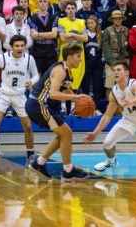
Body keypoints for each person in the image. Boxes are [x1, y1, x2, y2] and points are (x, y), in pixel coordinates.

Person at [25, 42, 91, 181]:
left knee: (63, 135)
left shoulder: (68, 72)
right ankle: (68, 170)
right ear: (70, 57)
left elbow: (66, 89)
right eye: (78, 56)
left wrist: (79, 100)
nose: (80, 59)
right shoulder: (60, 70)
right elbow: (53, 94)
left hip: (47, 106)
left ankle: (39, 163)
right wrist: (73, 97)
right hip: (39, 104)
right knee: (66, 133)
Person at [0, 35, 39, 169]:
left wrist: (32, 81)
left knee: (28, 127)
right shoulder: (3, 58)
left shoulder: (30, 59)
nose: (20, 48)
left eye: (22, 46)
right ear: (12, 47)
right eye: (17, 46)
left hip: (20, 95)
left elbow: (36, 75)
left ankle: (30, 156)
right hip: (4, 95)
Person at [57, 1, 88, 92]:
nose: (70, 10)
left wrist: (71, 34)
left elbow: (85, 38)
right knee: (64, 82)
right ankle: (63, 105)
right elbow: (62, 38)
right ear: (65, 10)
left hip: (78, 55)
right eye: (68, 8)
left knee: (75, 83)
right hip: (65, 55)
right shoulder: (61, 21)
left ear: (76, 9)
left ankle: (73, 105)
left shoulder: (81, 22)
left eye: (72, 8)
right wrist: (78, 36)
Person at [28, 0, 59, 76]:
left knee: (51, 76)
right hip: (37, 50)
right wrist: (49, 34)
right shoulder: (32, 18)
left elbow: (54, 34)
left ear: (48, 3)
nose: (42, 3)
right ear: (37, 3)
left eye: (45, 1)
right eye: (40, 1)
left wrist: (38, 34)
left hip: (51, 50)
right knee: (37, 76)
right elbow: (33, 36)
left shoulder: (54, 17)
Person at [102, 9, 130, 99]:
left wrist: (128, 59)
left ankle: (123, 107)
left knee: (124, 85)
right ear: (112, 20)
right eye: (115, 18)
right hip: (111, 60)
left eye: (119, 18)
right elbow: (106, 47)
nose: (118, 20)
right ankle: (110, 106)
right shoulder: (107, 31)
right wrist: (110, 62)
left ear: (122, 19)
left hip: (123, 60)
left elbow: (129, 47)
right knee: (110, 84)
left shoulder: (126, 30)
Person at [82, 15, 106, 113]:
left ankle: (96, 108)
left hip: (97, 63)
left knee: (97, 85)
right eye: (88, 23)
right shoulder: (84, 35)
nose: (90, 25)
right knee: (86, 86)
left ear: (96, 23)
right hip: (87, 62)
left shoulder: (101, 34)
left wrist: (101, 60)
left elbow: (103, 49)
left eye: (92, 23)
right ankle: (85, 107)